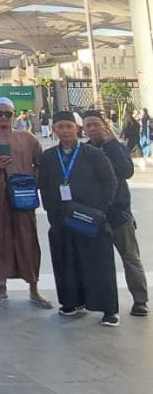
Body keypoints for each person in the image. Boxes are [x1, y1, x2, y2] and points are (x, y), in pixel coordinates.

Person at [38, 110, 119, 326]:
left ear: (77, 128)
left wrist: (100, 210)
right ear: (54, 129)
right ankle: (71, 302)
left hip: (90, 218)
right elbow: (44, 185)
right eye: (60, 127)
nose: (65, 131)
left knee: (98, 264)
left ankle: (109, 309)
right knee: (66, 262)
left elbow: (110, 181)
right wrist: (52, 212)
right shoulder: (48, 157)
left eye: (69, 126)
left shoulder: (92, 154)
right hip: (62, 220)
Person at [0, 97, 51, 309]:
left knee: (27, 238)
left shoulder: (27, 138)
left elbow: (40, 163)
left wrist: (30, 180)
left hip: (22, 196)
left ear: (13, 115)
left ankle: (34, 287)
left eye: (7, 113)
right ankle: (1, 287)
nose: (3, 117)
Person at [83, 111, 148, 317]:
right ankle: (103, 302)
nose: (92, 128)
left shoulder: (117, 147)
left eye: (96, 124)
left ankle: (140, 300)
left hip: (119, 214)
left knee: (130, 258)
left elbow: (126, 171)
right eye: (88, 125)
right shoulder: (84, 150)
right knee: (99, 262)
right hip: (95, 215)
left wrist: (111, 145)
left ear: (105, 125)